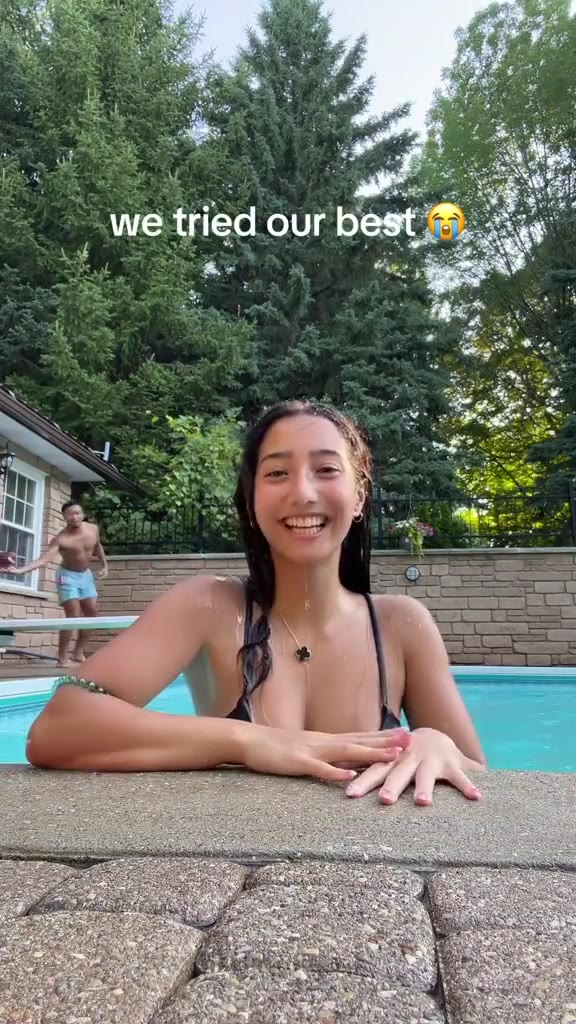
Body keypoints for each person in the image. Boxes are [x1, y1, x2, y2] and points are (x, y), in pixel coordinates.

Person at [26, 401, 486, 806]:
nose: (302, 492)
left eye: (327, 470)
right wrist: (246, 740)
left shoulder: (401, 624)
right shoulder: (207, 607)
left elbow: (479, 772)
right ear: (250, 501)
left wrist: (434, 742)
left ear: (359, 496)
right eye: (277, 473)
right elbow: (57, 728)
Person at [9, 500, 108, 667]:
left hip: (86, 575)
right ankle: (62, 657)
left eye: (78, 513)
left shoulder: (93, 529)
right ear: (64, 516)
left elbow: (98, 547)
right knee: (73, 615)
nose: (75, 517)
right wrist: (20, 571)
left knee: (91, 613)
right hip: (67, 576)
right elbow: (44, 560)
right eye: (71, 514)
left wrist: (105, 565)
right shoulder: (61, 539)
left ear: (82, 514)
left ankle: (78, 652)